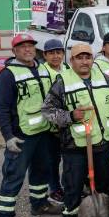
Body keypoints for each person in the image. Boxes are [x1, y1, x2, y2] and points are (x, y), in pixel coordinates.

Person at [41, 43, 109, 217]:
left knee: (104, 180)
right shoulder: (63, 81)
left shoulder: (103, 78)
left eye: (88, 57)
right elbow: (47, 111)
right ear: (72, 60)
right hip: (75, 145)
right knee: (73, 182)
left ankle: (101, 210)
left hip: (102, 142)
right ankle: (70, 216)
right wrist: (70, 116)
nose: (84, 61)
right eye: (80, 58)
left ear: (92, 59)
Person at [0, 33, 60, 217]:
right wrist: (8, 136)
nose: (27, 49)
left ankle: (39, 204)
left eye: (30, 46)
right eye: (22, 47)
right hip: (21, 135)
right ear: (14, 51)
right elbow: (1, 108)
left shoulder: (43, 69)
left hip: (43, 131)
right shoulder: (8, 75)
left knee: (41, 170)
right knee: (14, 175)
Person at [40, 39, 70, 204]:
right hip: (50, 126)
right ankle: (55, 189)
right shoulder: (41, 71)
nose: (56, 56)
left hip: (67, 123)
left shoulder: (68, 69)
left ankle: (68, 186)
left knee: (69, 158)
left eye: (58, 52)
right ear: (45, 55)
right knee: (52, 160)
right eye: (51, 53)